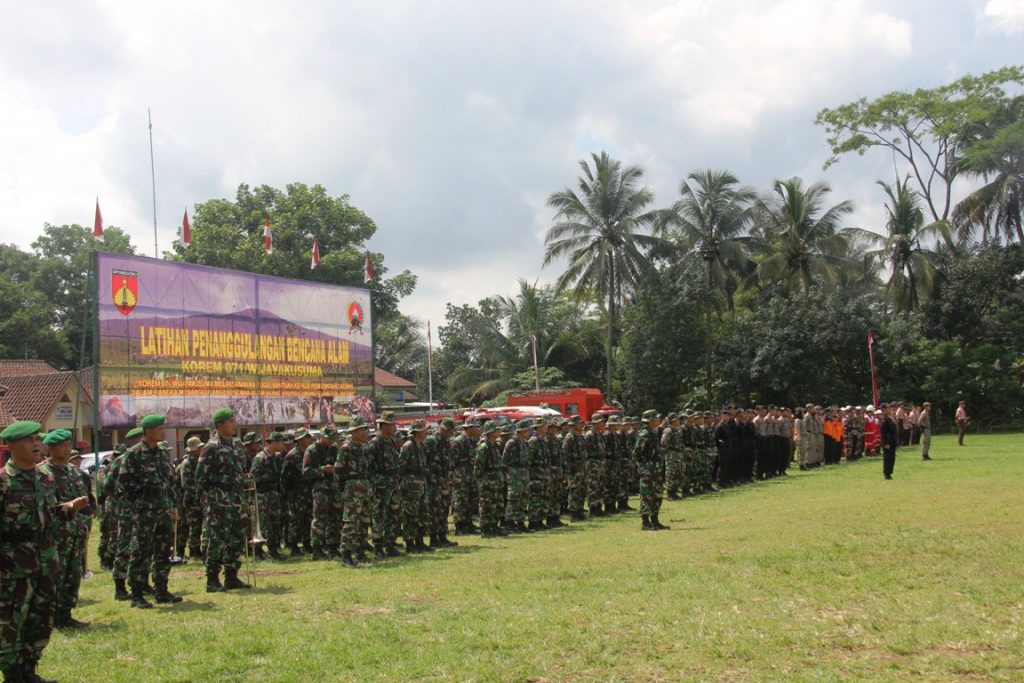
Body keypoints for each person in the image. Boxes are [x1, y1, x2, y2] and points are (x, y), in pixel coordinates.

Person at [1, 421, 88, 683]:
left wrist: (68, 508)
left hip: (46, 559)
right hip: (13, 564)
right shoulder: (4, 482)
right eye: (29, 441)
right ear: (12, 447)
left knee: (41, 618)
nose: (37, 445)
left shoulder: (45, 478)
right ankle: (13, 674)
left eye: (38, 440)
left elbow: (48, 514)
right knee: (11, 619)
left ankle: (29, 670)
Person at [117, 414, 183, 608]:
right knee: (140, 552)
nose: (163, 432)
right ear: (148, 432)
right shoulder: (134, 454)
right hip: (144, 512)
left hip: (163, 510)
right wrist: (140, 502)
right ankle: (137, 594)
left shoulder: (162, 453)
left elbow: (169, 482)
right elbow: (123, 484)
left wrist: (172, 505)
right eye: (160, 428)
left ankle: (161, 590)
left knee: (163, 551)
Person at [37, 430, 92, 628]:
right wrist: (70, 506)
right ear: (51, 448)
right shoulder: (42, 473)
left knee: (73, 574)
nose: (67, 449)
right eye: (62, 445)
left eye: (69, 444)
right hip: (56, 533)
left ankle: (65, 615)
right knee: (55, 575)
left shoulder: (74, 471)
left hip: (75, 530)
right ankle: (50, 618)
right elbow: (45, 506)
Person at [196, 407, 251, 592]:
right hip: (219, 500)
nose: (234, 424)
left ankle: (231, 577)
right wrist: (211, 496)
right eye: (230, 421)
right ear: (220, 425)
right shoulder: (211, 447)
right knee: (217, 539)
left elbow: (243, 470)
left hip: (237, 499)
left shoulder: (238, 445)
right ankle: (212, 579)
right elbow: (200, 477)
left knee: (237, 538)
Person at [336, 419, 372, 567]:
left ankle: (360, 551)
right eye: (359, 430)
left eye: (364, 429)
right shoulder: (346, 448)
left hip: (364, 485)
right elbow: (338, 471)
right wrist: (344, 488)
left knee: (364, 521)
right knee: (350, 522)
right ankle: (346, 555)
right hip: (352, 487)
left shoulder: (364, 447)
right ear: (352, 432)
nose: (363, 432)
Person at [303, 426, 342, 560]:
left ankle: (333, 547)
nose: (332, 441)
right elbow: (306, 471)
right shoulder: (312, 450)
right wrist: (322, 470)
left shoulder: (334, 448)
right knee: (319, 519)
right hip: (320, 489)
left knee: (335, 519)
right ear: (322, 436)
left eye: (333, 438)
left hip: (334, 488)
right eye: (329, 438)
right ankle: (317, 549)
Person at [367, 413, 402, 557]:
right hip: (379, 486)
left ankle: (390, 544)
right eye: (392, 424)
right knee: (378, 516)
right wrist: (374, 483)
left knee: (393, 515)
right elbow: (368, 466)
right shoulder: (376, 442)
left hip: (392, 484)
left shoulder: (391, 441)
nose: (395, 427)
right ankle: (378, 546)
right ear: (384, 425)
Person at [250, 432, 285, 560]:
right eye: (280, 441)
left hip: (273, 492)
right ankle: (258, 551)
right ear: (274, 442)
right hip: (262, 494)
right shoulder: (260, 458)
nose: (282, 444)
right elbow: (254, 478)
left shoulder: (276, 457)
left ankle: (273, 549)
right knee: (263, 523)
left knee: (275, 522)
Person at [398, 420, 431, 553]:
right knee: (410, 513)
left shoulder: (421, 445)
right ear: (417, 431)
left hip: (421, 482)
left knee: (422, 513)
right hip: (410, 483)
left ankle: (420, 540)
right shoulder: (408, 446)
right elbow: (401, 466)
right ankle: (410, 542)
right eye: (424, 429)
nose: (426, 432)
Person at [633, 410, 667, 531]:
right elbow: (636, 452)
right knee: (647, 494)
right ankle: (645, 522)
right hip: (648, 468)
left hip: (656, 468)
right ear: (651, 420)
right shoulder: (644, 434)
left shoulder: (653, 432)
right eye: (657, 418)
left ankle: (655, 520)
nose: (659, 420)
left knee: (658, 494)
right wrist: (641, 464)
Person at [475, 421, 506, 538]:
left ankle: (493, 525)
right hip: (487, 480)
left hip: (496, 479)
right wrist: (481, 482)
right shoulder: (484, 446)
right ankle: (485, 527)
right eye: (496, 430)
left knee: (497, 504)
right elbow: (478, 466)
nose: (499, 432)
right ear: (491, 432)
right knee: (486, 504)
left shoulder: (495, 445)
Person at [177, 436, 205, 561]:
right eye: (198, 448)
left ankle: (197, 548)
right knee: (194, 525)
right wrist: (199, 494)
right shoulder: (187, 464)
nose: (201, 449)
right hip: (192, 500)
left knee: (200, 525)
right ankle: (194, 550)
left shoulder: (199, 461)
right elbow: (186, 485)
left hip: (200, 499)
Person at [502, 419, 531, 533]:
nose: (528, 431)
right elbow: (505, 460)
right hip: (514, 472)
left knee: (524, 498)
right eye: (526, 429)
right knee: (513, 498)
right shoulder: (511, 442)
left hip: (524, 472)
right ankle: (509, 522)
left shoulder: (525, 443)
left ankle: (520, 521)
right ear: (521, 430)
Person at [879, 404, 899, 480]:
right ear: (884, 410)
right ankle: (886, 473)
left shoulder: (889, 418)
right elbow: (883, 432)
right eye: (888, 408)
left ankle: (890, 472)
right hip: (888, 442)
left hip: (892, 441)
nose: (890, 410)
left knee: (892, 457)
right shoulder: (884, 419)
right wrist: (886, 443)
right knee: (887, 458)